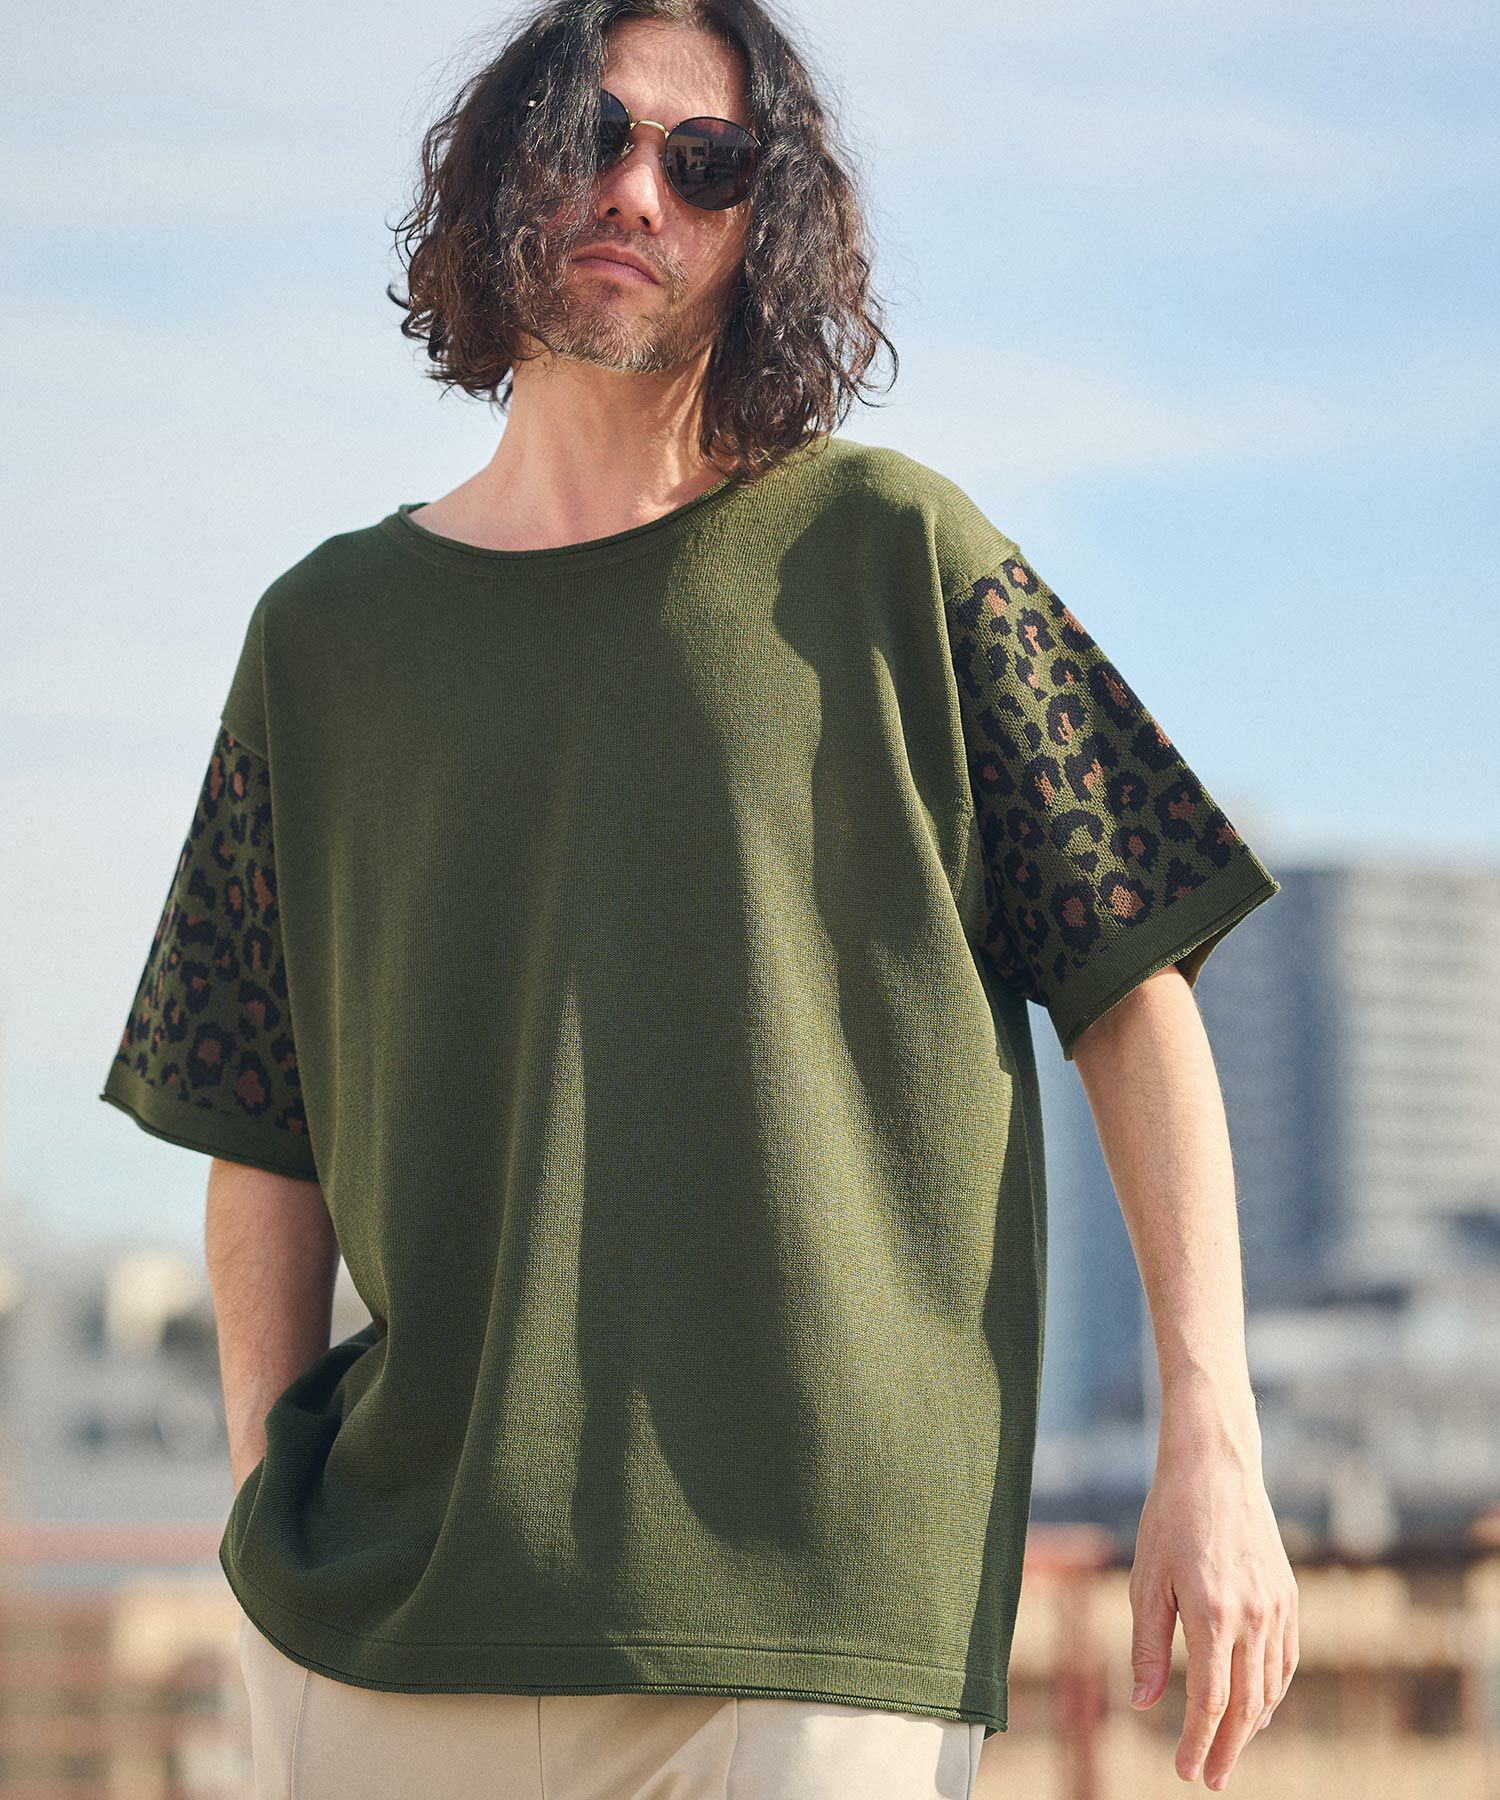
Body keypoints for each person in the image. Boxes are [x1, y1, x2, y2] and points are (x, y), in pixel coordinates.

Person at [99, 1, 1298, 1795]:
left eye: (707, 161)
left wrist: (1215, 1428)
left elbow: (1139, 987)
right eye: (592, 133)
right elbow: (251, 1119)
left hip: (813, 1620)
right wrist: (271, 1488)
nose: (637, 189)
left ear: (762, 228)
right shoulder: (321, 639)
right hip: (387, 1624)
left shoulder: (901, 554)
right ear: (506, 169)